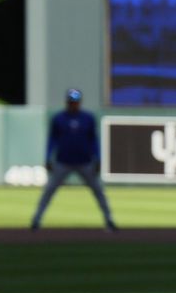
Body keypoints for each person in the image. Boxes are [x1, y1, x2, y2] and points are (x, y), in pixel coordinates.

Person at [30, 89, 117, 230]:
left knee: (98, 191)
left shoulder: (88, 118)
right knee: (49, 191)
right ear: (67, 102)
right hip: (63, 162)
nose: (73, 104)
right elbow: (52, 140)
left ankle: (109, 220)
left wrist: (98, 158)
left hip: (85, 162)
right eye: (71, 102)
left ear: (79, 102)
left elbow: (93, 141)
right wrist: (47, 157)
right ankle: (36, 220)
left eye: (75, 102)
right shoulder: (59, 118)